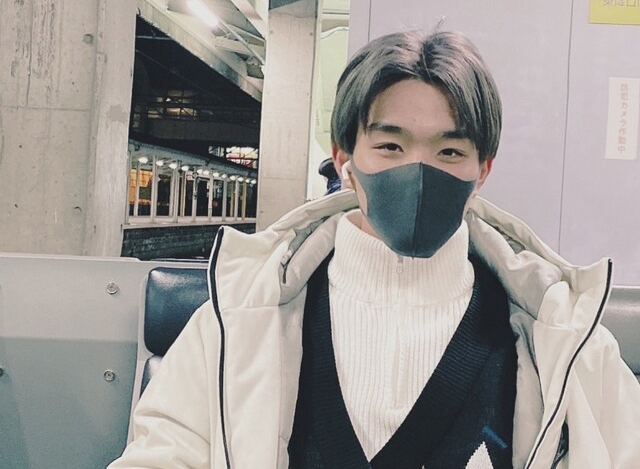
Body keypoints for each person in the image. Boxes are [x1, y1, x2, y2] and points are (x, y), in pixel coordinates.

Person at [109, 30, 640, 469]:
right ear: (345, 160)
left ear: (483, 171)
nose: (418, 172)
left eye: (449, 151)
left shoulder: (565, 340)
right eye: (390, 145)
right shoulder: (240, 320)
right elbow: (164, 453)